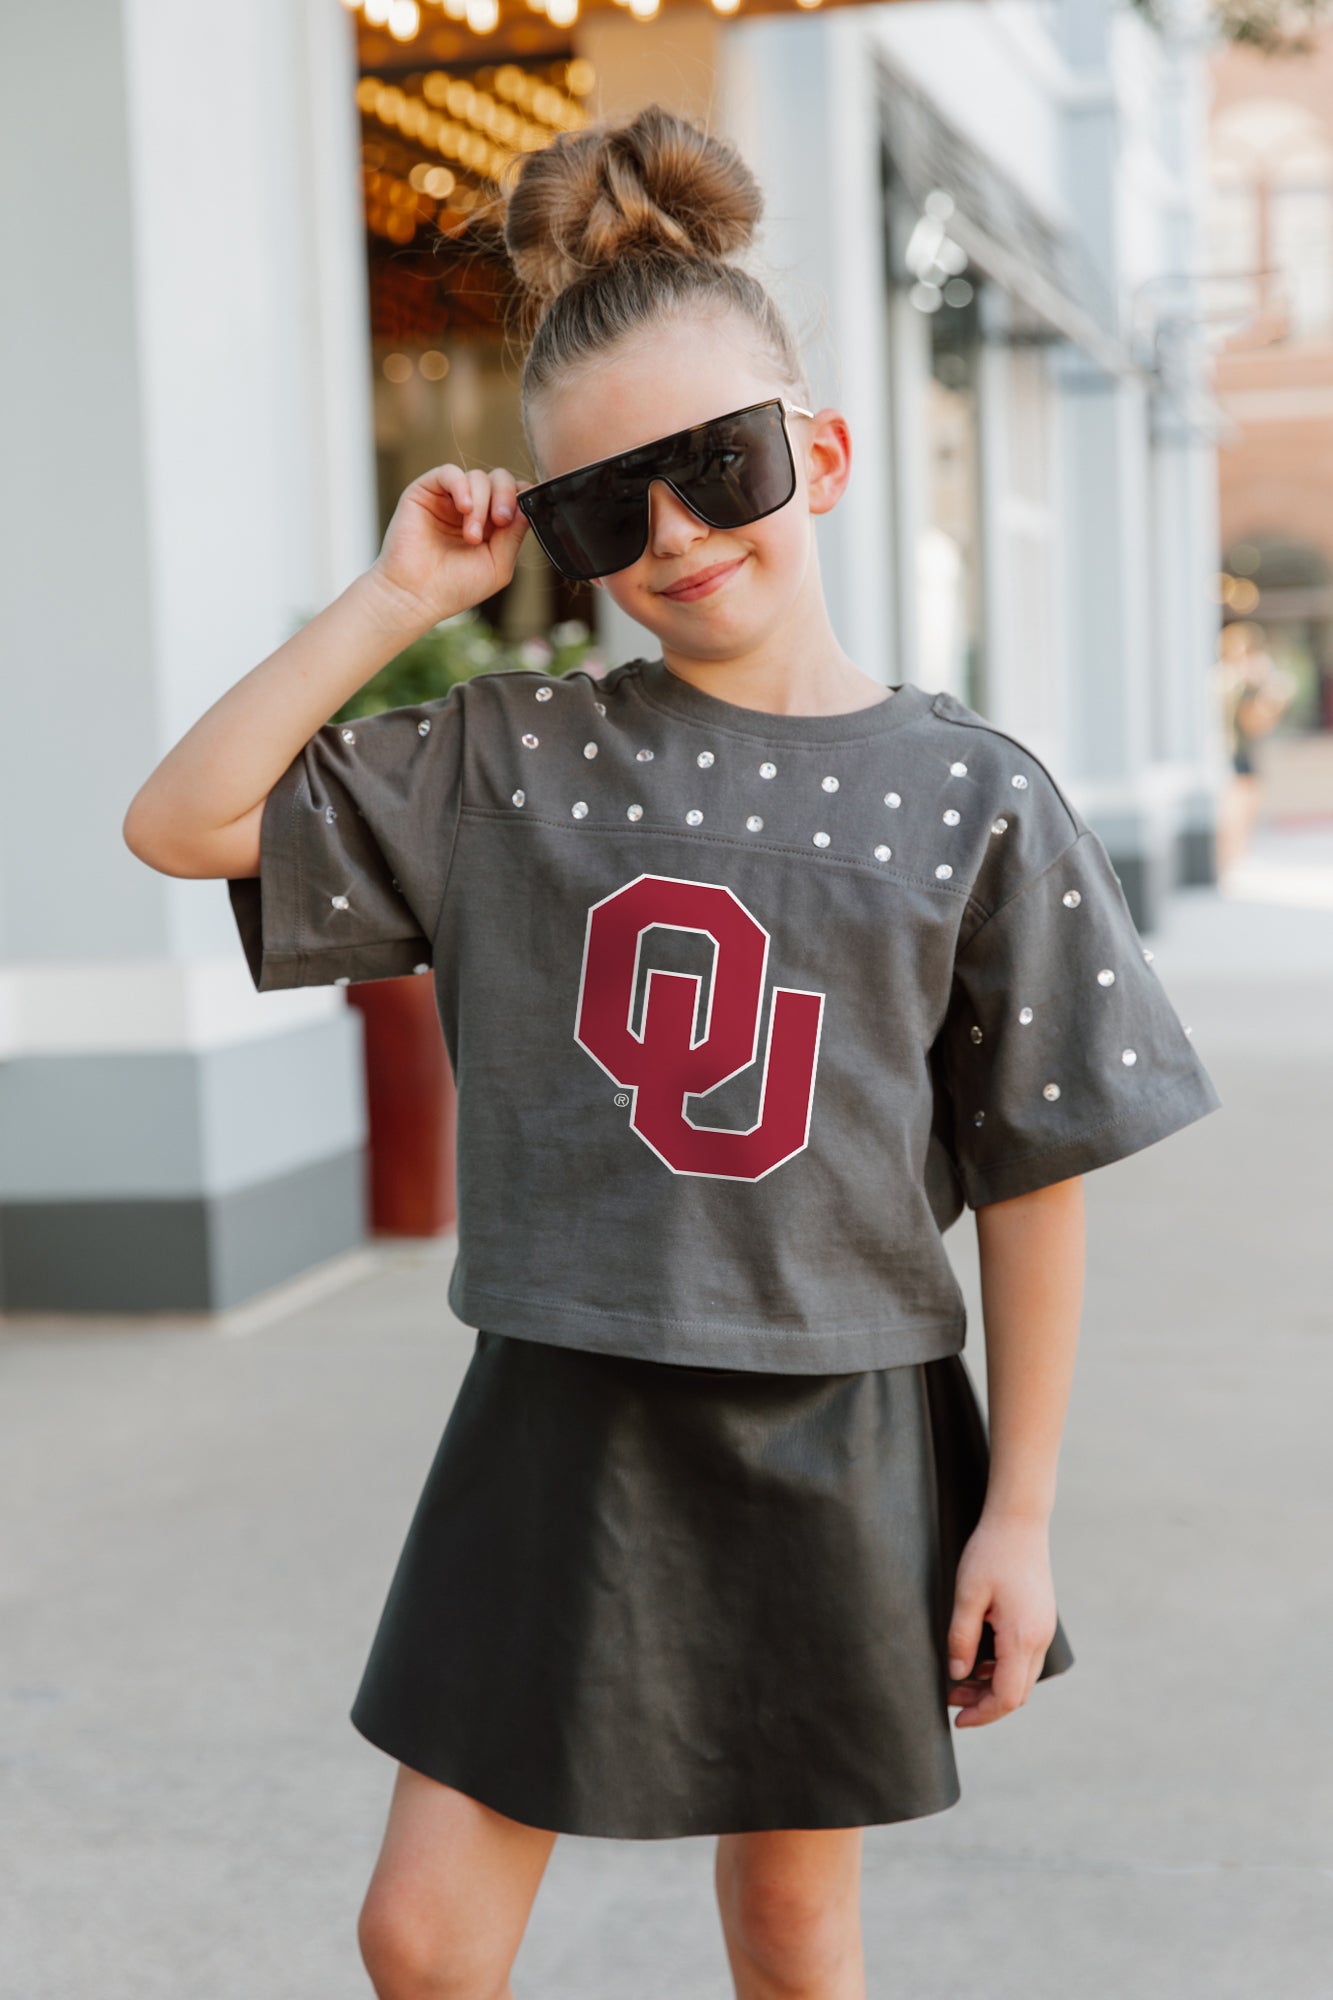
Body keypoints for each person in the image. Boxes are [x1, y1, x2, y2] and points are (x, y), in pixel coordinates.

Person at [123, 105, 1223, 2000]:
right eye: (605, 509)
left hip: (836, 1425)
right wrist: (400, 601)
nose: (681, 538)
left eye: (718, 466)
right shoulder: (513, 763)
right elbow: (183, 820)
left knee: (793, 1935)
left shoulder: (975, 797)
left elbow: (1032, 1172)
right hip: (561, 1413)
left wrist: (1019, 1516)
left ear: (822, 452)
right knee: (421, 1939)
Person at [1213, 620, 1297, 876]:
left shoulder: (1225, 677)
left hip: (1237, 751)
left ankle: (1236, 858)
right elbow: (1252, 722)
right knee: (1238, 808)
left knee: (1244, 805)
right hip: (1235, 752)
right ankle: (1231, 860)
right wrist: (1274, 700)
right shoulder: (1237, 681)